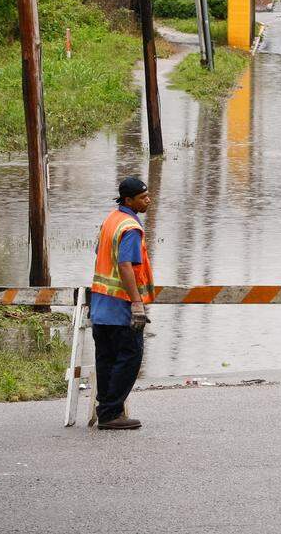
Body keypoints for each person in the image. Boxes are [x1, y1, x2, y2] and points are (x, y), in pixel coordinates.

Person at [89, 177, 155, 430]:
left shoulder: (111, 220)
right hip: (120, 306)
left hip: (100, 304)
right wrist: (137, 304)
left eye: (148, 195)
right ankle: (111, 411)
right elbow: (125, 265)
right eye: (142, 197)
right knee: (131, 356)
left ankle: (106, 411)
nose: (148, 200)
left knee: (106, 359)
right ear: (129, 200)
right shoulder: (130, 228)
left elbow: (99, 253)